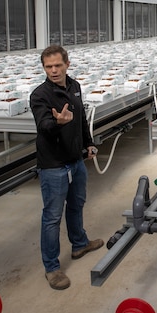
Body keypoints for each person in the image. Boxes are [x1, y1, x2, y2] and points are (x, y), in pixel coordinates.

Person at [30, 45, 103, 290]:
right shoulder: (39, 95)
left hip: (76, 159)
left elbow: (81, 119)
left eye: (57, 65)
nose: (53, 71)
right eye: (48, 67)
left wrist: (88, 143)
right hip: (53, 165)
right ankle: (52, 268)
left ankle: (79, 243)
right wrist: (57, 122)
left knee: (77, 204)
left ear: (67, 64)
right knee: (51, 217)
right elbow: (43, 125)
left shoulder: (75, 87)